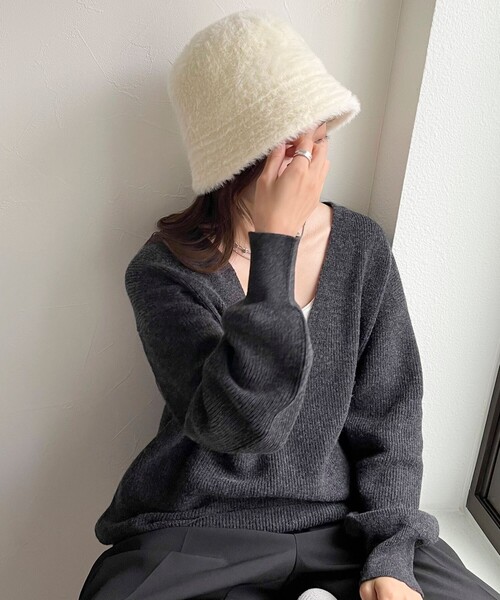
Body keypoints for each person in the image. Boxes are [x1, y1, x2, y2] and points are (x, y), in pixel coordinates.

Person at [78, 10, 500, 600]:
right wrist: (275, 243)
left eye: (319, 141)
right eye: (287, 149)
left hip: (340, 529)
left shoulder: (360, 249)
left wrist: (390, 556)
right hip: (202, 529)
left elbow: (390, 425)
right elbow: (239, 428)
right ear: (233, 159)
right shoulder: (164, 271)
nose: (307, 167)